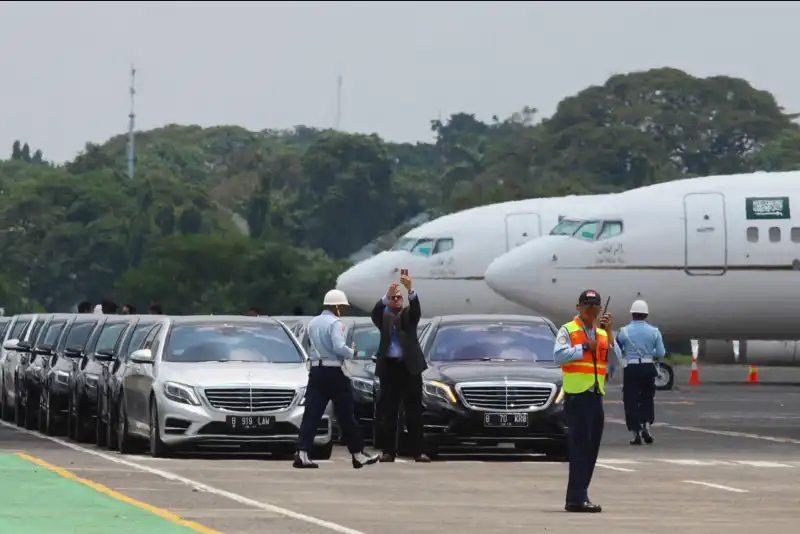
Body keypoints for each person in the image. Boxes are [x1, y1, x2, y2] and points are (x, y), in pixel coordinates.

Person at [294, 289, 380, 469]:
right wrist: (353, 352)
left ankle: (302, 453)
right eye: (342, 307)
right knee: (346, 414)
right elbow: (339, 346)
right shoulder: (336, 324)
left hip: (316, 371)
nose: (343, 310)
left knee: (312, 414)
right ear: (336, 306)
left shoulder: (313, 323)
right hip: (334, 372)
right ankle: (357, 454)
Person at [553, 289, 622, 513]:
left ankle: (581, 494)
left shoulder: (603, 334)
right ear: (578, 307)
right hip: (577, 395)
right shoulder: (568, 329)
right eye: (587, 306)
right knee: (580, 447)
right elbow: (558, 355)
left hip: (595, 395)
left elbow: (616, 361)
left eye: (594, 306)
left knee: (591, 449)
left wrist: (609, 334)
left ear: (601, 309)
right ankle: (576, 498)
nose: (591, 310)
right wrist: (583, 347)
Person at [371, 274, 430, 463]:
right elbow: (375, 312)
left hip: (409, 368)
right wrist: (386, 296)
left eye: (399, 298)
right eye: (393, 298)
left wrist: (410, 290)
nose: (396, 300)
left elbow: (416, 310)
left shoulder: (407, 316)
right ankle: (389, 451)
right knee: (389, 412)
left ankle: (418, 451)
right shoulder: (384, 318)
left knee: (414, 411)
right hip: (390, 368)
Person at [617, 299, 665, 445]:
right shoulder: (654, 331)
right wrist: (650, 353)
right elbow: (661, 352)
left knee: (630, 399)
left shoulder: (623, 331)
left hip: (631, 367)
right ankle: (646, 426)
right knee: (647, 398)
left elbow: (617, 349)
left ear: (632, 314)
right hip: (648, 366)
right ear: (646, 315)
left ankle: (635, 431)